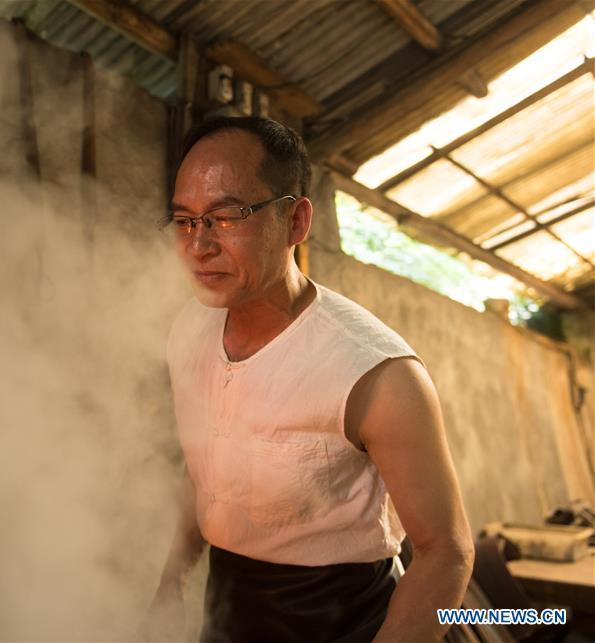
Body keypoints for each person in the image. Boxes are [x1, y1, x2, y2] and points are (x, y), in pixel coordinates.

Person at [146, 116, 474, 643]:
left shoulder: (376, 373)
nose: (199, 244)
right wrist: (171, 581)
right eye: (185, 221)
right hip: (229, 612)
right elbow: (204, 470)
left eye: (226, 217)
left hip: (345, 619)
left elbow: (446, 553)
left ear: (295, 222)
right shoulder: (189, 331)